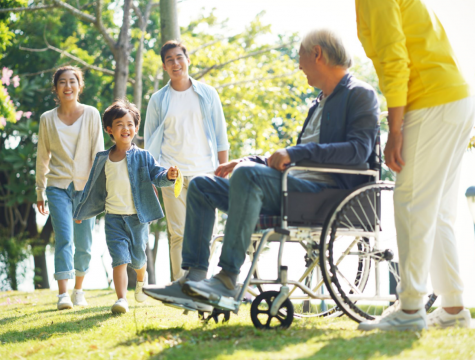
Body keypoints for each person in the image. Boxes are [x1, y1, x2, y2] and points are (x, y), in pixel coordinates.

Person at [143, 29, 380, 312]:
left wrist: (291, 154)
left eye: (300, 57)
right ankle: (192, 279)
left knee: (247, 176)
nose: (299, 65)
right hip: (290, 188)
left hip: (326, 195)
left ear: (317, 54)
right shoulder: (318, 102)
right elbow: (291, 157)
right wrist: (247, 160)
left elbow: (357, 152)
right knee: (203, 186)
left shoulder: (360, 94)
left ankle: (228, 278)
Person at [355, 0, 474, 331]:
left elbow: (395, 60)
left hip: (433, 101)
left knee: (411, 201)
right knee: (436, 211)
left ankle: (410, 310)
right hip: (454, 100)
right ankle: (452, 308)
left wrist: (395, 130)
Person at [73, 99, 178, 314]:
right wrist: (81, 211)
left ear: (136, 128)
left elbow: (156, 175)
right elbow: (91, 188)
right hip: (113, 218)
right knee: (119, 259)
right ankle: (121, 299)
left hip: (137, 218)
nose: (125, 128)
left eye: (130, 124)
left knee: (138, 258)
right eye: (119, 124)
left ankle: (141, 278)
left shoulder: (143, 156)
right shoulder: (103, 159)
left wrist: (167, 175)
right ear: (109, 129)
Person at [144, 40, 229, 281]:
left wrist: (223, 170)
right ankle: (181, 286)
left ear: (187, 60)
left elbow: (221, 136)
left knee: (207, 233)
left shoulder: (207, 94)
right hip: (172, 175)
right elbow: (150, 143)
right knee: (178, 233)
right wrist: (152, 177)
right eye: (169, 60)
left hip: (206, 174)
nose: (175, 63)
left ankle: (201, 283)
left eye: (179, 57)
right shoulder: (158, 99)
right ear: (164, 66)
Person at [36, 66, 104, 310]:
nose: (68, 86)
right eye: (62, 82)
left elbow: (98, 153)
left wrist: (93, 192)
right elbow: (42, 157)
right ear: (56, 88)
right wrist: (39, 190)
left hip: (86, 189)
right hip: (57, 187)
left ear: (79, 86)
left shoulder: (92, 114)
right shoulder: (47, 119)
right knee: (64, 239)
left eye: (72, 81)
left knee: (84, 243)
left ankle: (78, 290)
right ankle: (62, 294)